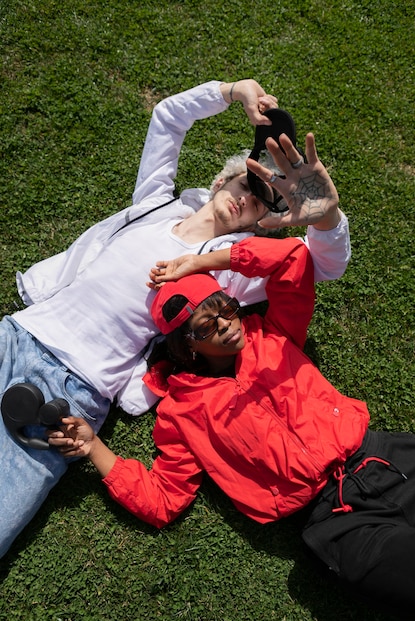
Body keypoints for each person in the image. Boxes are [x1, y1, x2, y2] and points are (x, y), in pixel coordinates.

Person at [51, 133, 415, 614]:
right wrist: (94, 447)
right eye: (209, 324)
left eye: (226, 309)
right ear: (186, 349)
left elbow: (292, 259)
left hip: (384, 458)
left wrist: (205, 260)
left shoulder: (275, 333)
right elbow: (163, 500)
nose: (227, 323)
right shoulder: (181, 413)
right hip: (336, 519)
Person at [0, 79, 350, 558]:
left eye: (263, 202)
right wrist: (230, 92)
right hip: (20, 331)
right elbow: (167, 118)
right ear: (222, 181)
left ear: (261, 221)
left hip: (77, 385)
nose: (248, 198)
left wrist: (324, 219)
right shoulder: (156, 202)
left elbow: (319, 266)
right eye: (246, 183)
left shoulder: (233, 273)